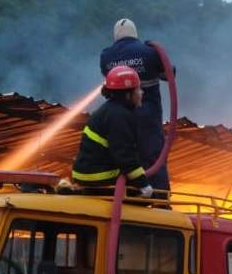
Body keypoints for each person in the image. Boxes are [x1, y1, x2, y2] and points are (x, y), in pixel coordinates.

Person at [100, 18, 171, 194]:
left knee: (124, 156)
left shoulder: (106, 56)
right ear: (135, 34)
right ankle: (160, 200)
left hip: (120, 117)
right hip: (148, 117)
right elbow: (170, 74)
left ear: (115, 36)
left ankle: (130, 196)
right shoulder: (150, 52)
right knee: (154, 158)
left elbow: (108, 77)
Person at [71, 66, 154, 197]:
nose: (142, 93)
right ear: (128, 95)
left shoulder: (112, 110)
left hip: (87, 172)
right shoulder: (119, 116)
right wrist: (143, 185)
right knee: (142, 194)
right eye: (138, 89)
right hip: (97, 174)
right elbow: (124, 155)